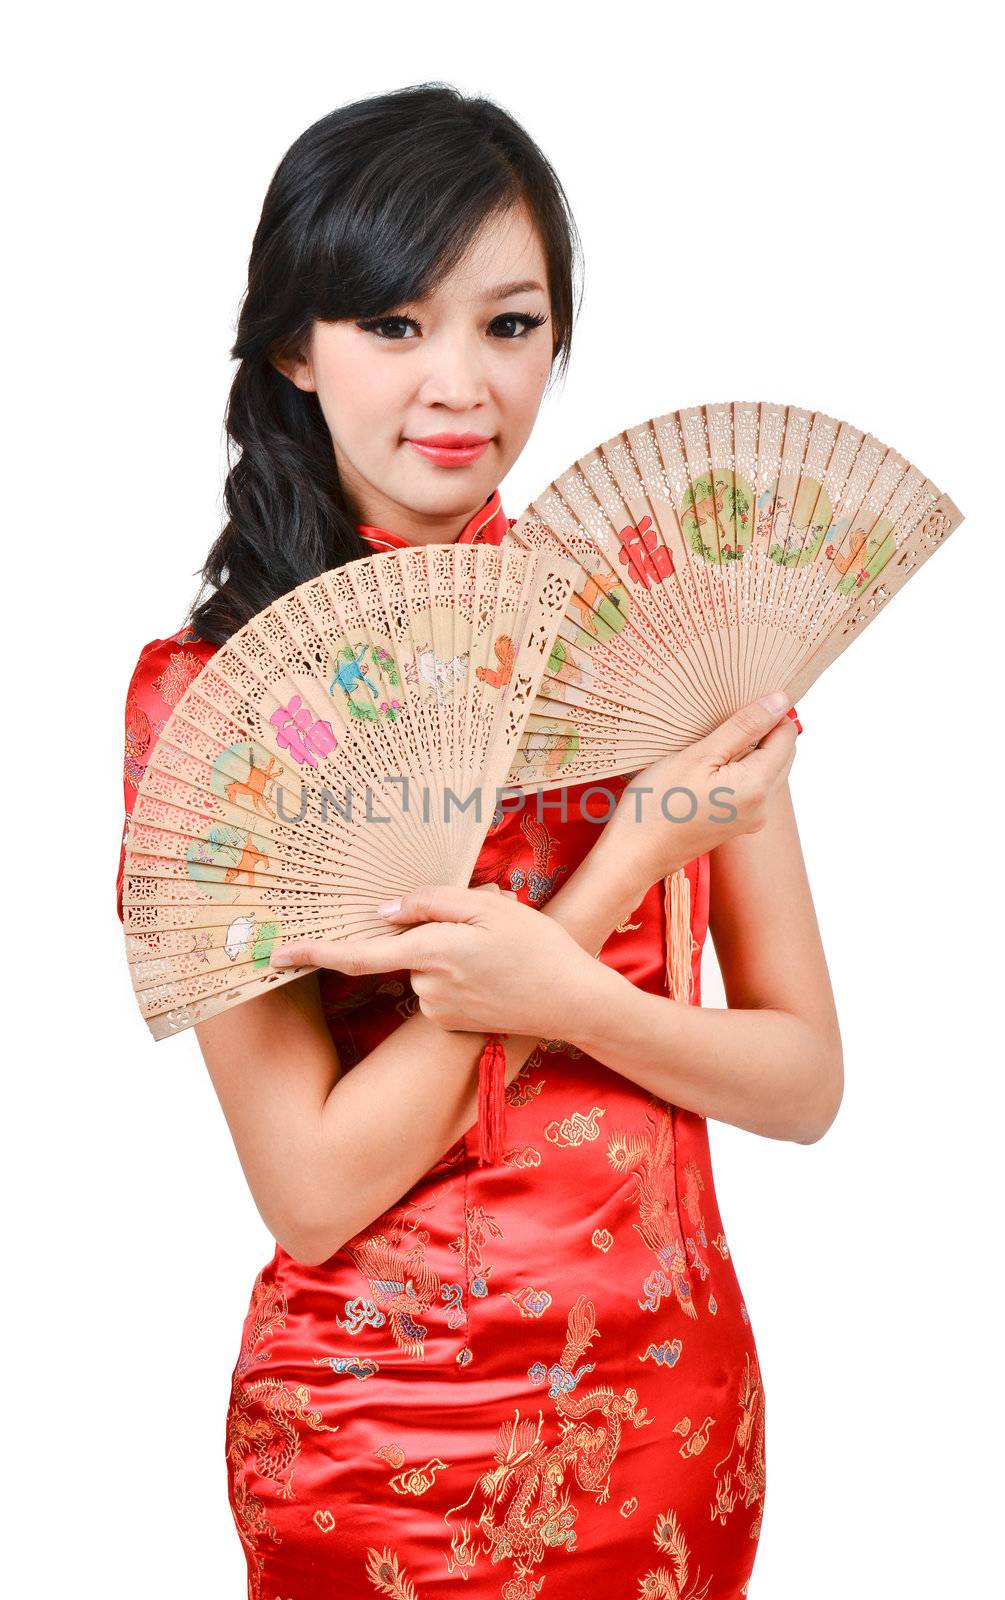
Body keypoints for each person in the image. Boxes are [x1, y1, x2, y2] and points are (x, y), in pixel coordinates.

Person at [116, 84, 841, 1600]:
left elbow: (802, 1079)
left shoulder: (669, 625)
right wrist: (618, 879)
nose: (458, 384)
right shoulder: (219, 699)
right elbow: (310, 1188)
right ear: (290, 349)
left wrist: (563, 972)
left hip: (667, 1408)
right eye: (393, 323)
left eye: (507, 326)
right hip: (374, 1432)